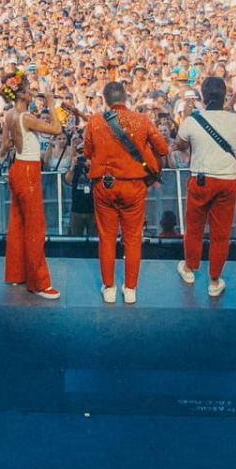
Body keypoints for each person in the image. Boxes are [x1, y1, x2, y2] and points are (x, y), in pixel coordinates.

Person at [83, 80, 168, 304]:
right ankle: (130, 289)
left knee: (107, 238)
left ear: (105, 100)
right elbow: (164, 149)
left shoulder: (95, 122)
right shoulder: (142, 120)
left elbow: (88, 151)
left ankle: (109, 288)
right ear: (125, 97)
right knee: (132, 238)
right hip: (134, 187)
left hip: (105, 186)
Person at [175, 75, 236, 298]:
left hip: (201, 179)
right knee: (220, 234)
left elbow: (180, 145)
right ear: (224, 96)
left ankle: (189, 268)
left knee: (194, 228)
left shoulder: (192, 120)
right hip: (227, 181)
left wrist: (187, 118)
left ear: (203, 98)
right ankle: (214, 281)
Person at [0, 73, 65, 300]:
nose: (32, 93)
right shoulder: (25, 117)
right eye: (29, 90)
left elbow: (6, 144)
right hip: (28, 172)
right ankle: (39, 283)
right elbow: (57, 129)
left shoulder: (9, 114)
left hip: (17, 168)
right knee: (36, 227)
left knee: (18, 223)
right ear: (20, 94)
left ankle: (16, 273)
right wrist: (50, 104)